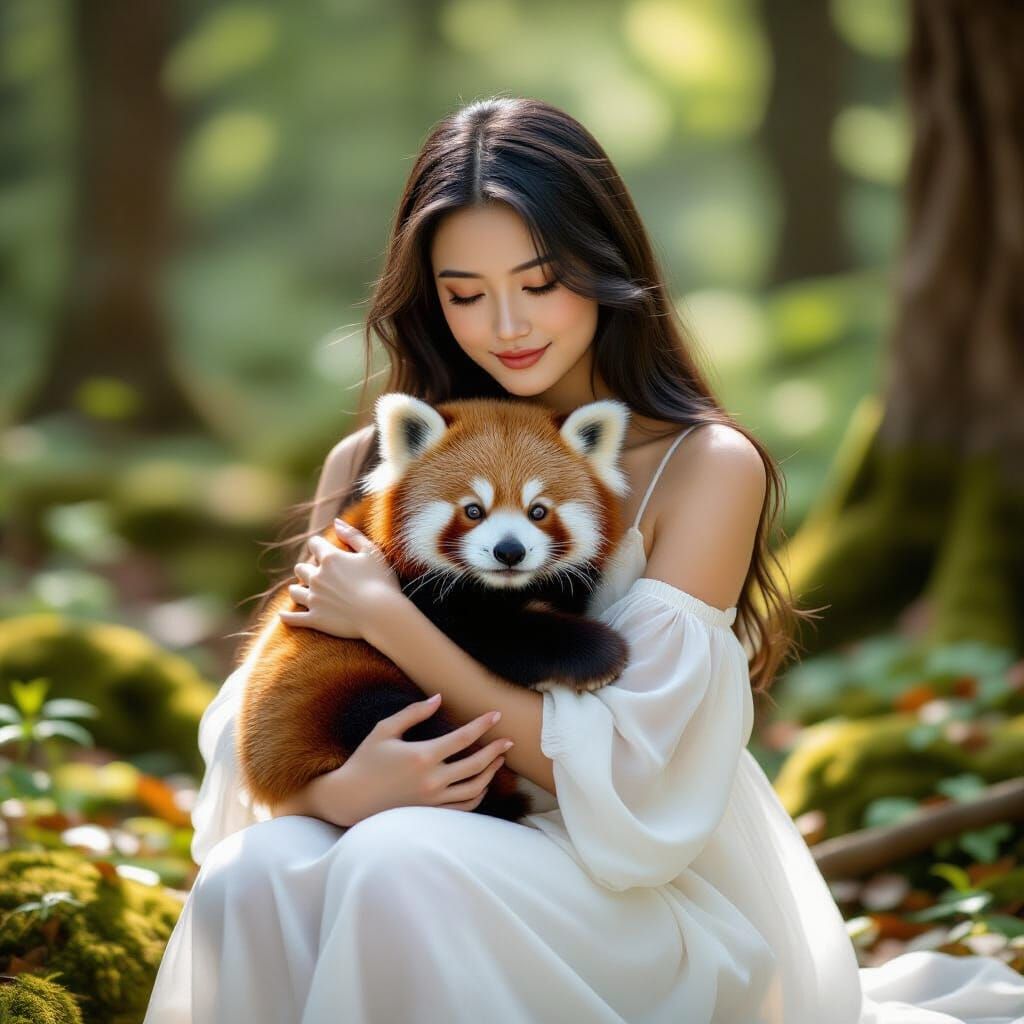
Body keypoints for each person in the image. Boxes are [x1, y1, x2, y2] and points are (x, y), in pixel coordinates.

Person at [143, 97, 1024, 1024]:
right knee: (253, 874)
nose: (507, 324)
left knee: (396, 859)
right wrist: (334, 789)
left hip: (618, 872)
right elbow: (270, 715)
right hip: (396, 819)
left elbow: (626, 779)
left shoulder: (702, 468)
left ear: (606, 266)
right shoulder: (378, 466)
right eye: (465, 292)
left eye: (540, 281)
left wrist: (392, 621)